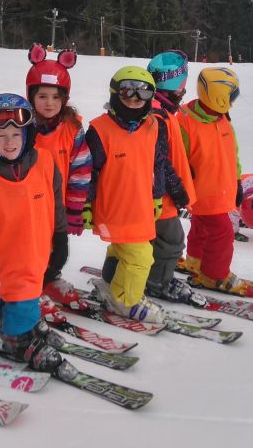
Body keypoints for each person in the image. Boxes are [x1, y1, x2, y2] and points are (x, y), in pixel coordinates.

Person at [0, 94, 69, 372]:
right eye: (1, 136)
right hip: (5, 258)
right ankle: (17, 338)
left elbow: (56, 204)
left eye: (15, 135)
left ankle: (18, 319)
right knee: (23, 294)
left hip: (38, 251)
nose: (9, 142)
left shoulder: (45, 163)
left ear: (27, 135)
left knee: (28, 292)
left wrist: (60, 237)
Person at [86, 67, 189, 323]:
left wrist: (157, 197)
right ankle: (126, 301)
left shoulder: (153, 126)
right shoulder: (100, 130)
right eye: (127, 92)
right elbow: (89, 172)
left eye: (142, 93)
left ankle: (111, 284)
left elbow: (158, 165)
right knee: (141, 255)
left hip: (140, 206)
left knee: (121, 249)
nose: (134, 99)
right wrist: (85, 205)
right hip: (113, 207)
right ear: (114, 93)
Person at [24, 44, 91, 307]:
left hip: (58, 205)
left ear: (65, 98)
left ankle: (50, 278)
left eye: (55, 96)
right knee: (31, 248)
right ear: (31, 96)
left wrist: (74, 210)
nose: (49, 103)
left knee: (57, 250)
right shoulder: (21, 127)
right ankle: (29, 287)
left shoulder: (72, 129)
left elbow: (81, 172)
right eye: (42, 96)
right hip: (28, 205)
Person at [178, 67, 251, 295]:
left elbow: (233, 154)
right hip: (203, 191)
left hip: (221, 189)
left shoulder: (222, 119)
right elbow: (177, 158)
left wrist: (237, 181)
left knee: (202, 228)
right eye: (232, 97)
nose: (233, 102)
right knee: (222, 232)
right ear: (219, 98)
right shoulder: (185, 121)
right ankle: (214, 275)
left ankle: (196, 262)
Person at [144, 50, 200, 305]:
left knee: (144, 239)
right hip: (160, 195)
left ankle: (132, 273)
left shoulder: (157, 111)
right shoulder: (158, 117)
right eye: (181, 90)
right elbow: (159, 161)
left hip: (157, 193)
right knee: (172, 240)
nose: (183, 95)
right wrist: (176, 188)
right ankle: (158, 282)